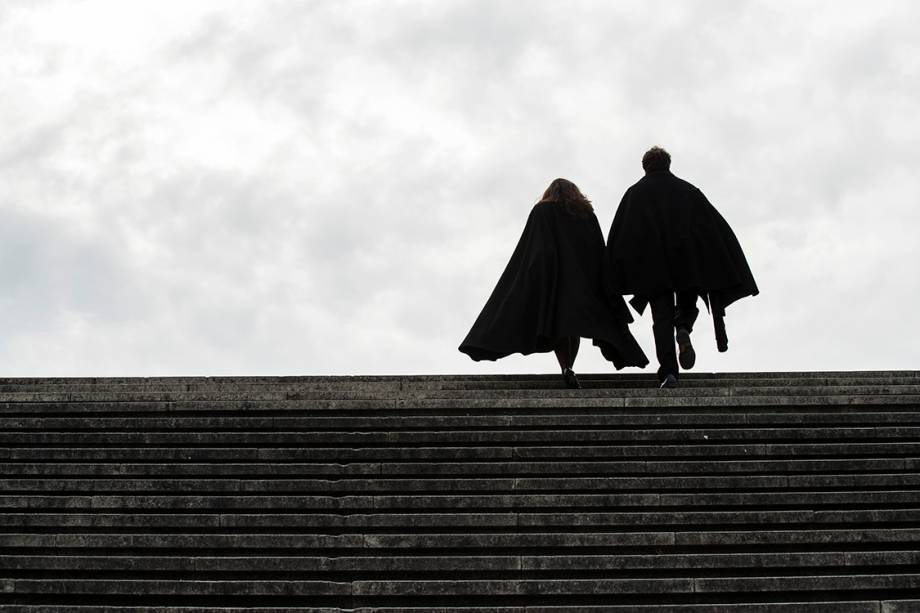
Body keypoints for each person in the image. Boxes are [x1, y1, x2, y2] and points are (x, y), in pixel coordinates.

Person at [459, 178, 648, 388]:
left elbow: (533, 246)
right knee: (572, 326)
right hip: (581, 280)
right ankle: (568, 367)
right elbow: (596, 248)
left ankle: (566, 367)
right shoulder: (585, 214)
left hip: (554, 276)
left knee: (560, 325)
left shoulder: (542, 212)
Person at [604, 147, 758, 388]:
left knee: (661, 319)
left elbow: (622, 237)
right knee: (687, 304)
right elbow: (712, 229)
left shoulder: (635, 194)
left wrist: (619, 274)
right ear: (668, 164)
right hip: (688, 265)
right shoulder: (688, 191)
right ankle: (684, 326)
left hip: (653, 271)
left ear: (645, 167)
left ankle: (669, 372)